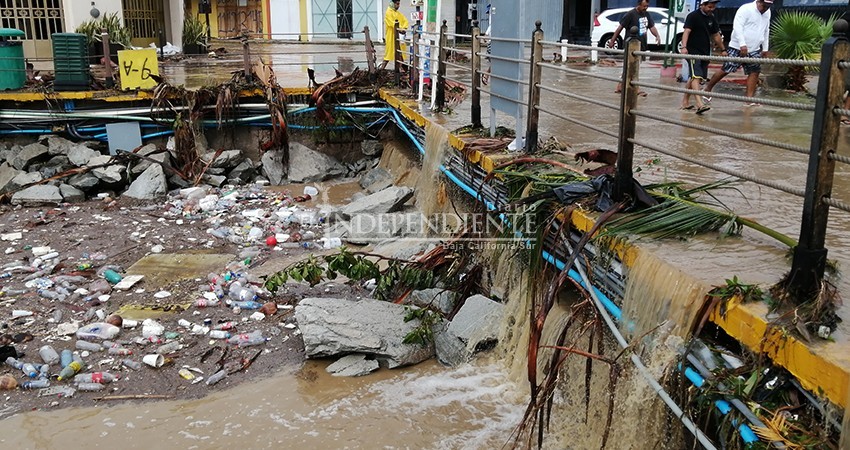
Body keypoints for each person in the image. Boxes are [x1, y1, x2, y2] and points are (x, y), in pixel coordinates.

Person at [703, 0, 772, 106]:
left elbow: (766, 29)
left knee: (754, 71)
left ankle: (749, 99)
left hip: (754, 48)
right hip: (737, 47)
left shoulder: (767, 12)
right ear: (758, 2)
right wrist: (742, 44)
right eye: (764, 6)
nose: (765, 8)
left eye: (768, 6)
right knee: (726, 69)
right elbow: (738, 27)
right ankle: (708, 88)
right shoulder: (745, 9)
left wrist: (765, 48)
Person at [680, 0, 726, 114]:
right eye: (709, 7)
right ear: (703, 5)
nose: (711, 9)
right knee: (696, 76)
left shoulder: (712, 18)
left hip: (705, 51)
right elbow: (686, 31)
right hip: (693, 50)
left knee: (695, 77)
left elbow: (716, 35)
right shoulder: (693, 16)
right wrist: (684, 47)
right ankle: (699, 104)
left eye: (713, 7)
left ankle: (685, 102)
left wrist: (723, 49)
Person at [610, 0, 661, 95]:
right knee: (634, 67)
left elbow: (651, 26)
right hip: (631, 45)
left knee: (630, 67)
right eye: (644, 6)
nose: (646, 8)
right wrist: (613, 40)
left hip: (641, 44)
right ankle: (636, 88)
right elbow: (620, 28)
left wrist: (657, 35)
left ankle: (620, 86)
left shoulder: (647, 14)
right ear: (638, 5)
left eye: (647, 6)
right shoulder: (630, 14)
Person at [380, 0, 409, 70]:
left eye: (399, 4)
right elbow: (392, 23)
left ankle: (402, 71)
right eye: (397, 4)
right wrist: (400, 29)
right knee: (388, 54)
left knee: (400, 53)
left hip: (399, 37)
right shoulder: (388, 13)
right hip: (391, 37)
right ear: (393, 3)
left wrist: (404, 28)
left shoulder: (397, 13)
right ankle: (380, 70)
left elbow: (405, 21)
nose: (398, 6)